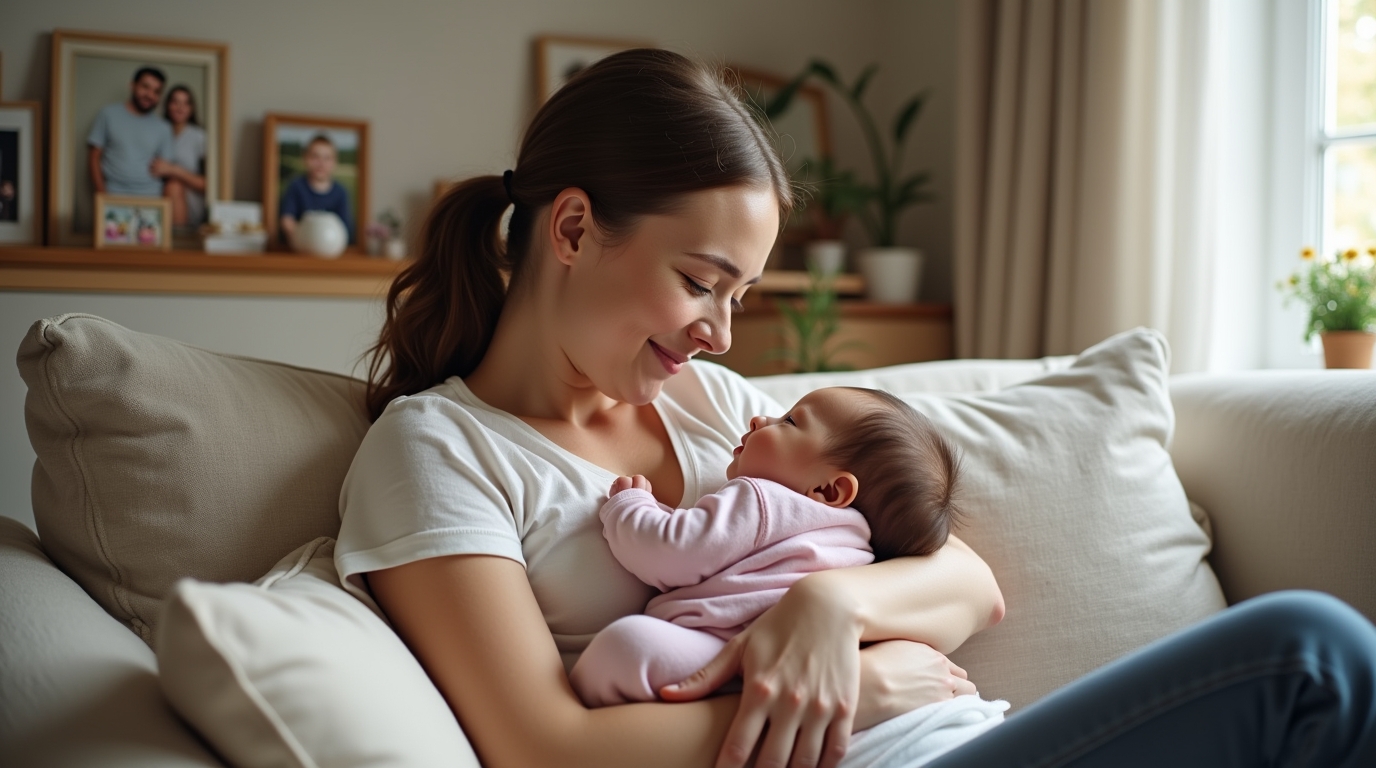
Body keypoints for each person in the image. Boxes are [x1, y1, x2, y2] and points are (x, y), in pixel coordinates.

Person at [337, 49, 1376, 768]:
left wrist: (828, 610)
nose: (720, 334)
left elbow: (968, 583)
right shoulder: (437, 450)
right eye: (700, 282)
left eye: (737, 297)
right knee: (1307, 656)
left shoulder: (709, 407)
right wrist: (858, 694)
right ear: (572, 229)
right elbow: (540, 749)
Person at [571, 387, 974, 704]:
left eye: (790, 421)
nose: (760, 418)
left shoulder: (763, 499)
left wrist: (630, 506)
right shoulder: (860, 545)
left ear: (829, 489)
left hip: (726, 649)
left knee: (625, 649)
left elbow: (670, 553)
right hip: (816, 667)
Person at [87, 66, 173, 200]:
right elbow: (94, 157)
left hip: (151, 198)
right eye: (145, 87)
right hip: (112, 194)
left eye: (156, 91)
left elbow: (165, 168)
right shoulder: (108, 114)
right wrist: (102, 196)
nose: (150, 95)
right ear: (132, 85)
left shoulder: (164, 127)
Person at [278, 134, 352, 249]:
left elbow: (345, 228)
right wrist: (303, 239)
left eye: (327, 158)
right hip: (300, 249)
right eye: (315, 157)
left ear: (334, 162)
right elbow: (287, 220)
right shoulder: (296, 186)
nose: (321, 163)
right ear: (305, 158)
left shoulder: (341, 192)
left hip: (330, 251)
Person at [151, 85, 207, 229]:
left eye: (185, 103)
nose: (180, 107)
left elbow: (208, 184)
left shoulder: (200, 138)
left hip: (190, 206)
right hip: (156, 200)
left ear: (191, 108)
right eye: (175, 102)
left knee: (174, 185)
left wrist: (173, 170)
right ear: (167, 105)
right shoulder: (156, 131)